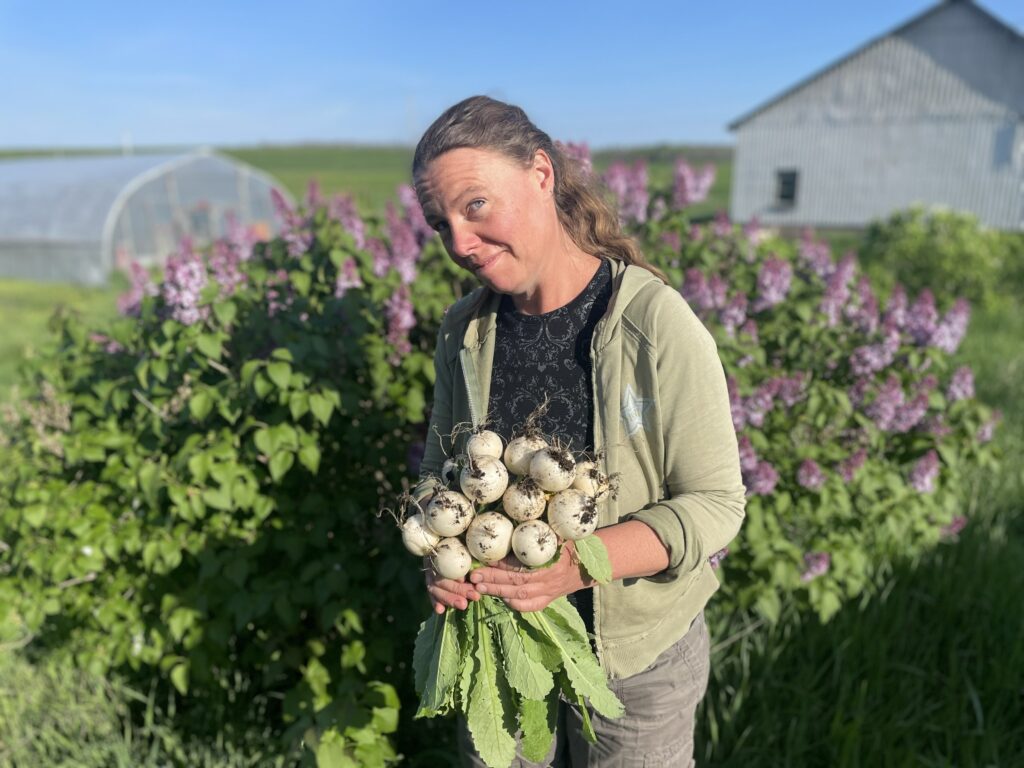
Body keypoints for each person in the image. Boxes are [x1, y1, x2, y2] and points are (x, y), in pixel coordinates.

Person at [411, 95, 745, 767]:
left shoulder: (654, 323)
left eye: (475, 206)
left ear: (540, 173)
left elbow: (716, 506)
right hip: (501, 647)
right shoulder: (466, 331)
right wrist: (437, 553)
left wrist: (578, 567)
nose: (459, 244)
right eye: (440, 223)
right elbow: (439, 475)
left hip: (638, 659)